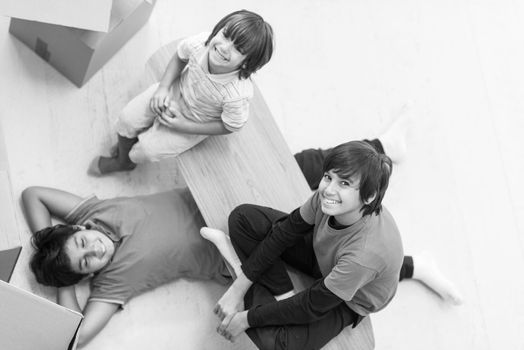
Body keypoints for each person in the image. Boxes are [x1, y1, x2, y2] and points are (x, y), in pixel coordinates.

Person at [90, 9, 274, 175]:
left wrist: (184, 126)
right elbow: (180, 57)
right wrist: (163, 88)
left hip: (196, 120)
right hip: (175, 91)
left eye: (238, 49)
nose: (225, 47)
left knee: (145, 150)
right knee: (127, 118)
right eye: (225, 35)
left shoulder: (237, 95)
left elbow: (231, 125)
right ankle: (124, 158)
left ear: (246, 63)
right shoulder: (201, 43)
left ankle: (127, 159)